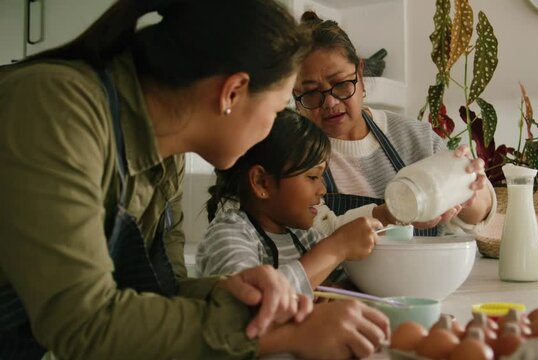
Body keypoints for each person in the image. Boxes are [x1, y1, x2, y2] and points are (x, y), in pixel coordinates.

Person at [0, 1, 388, 359]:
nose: (272, 128)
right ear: (232, 92)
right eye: (274, 109)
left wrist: (225, 289)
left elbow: (158, 293)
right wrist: (284, 334)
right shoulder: (56, 107)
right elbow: (82, 323)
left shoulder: (166, 158)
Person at [295, 11, 496, 237]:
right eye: (311, 93)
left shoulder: (414, 137)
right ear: (294, 95)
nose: (330, 102)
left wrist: (468, 186)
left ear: (360, 75)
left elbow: (480, 215)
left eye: (340, 84)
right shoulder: (296, 157)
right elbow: (314, 237)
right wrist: (392, 213)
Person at [197, 109, 382, 296]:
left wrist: (337, 289)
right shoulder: (229, 234)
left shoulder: (305, 237)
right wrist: (337, 248)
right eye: (312, 177)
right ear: (262, 182)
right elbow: (246, 303)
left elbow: (348, 283)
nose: (322, 190)